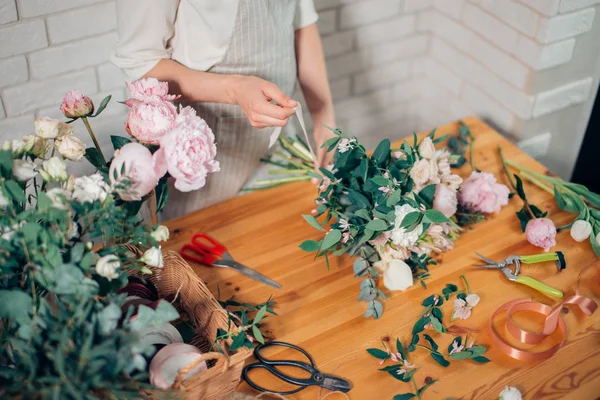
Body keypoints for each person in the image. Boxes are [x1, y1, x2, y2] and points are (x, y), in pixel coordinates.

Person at [111, 0, 336, 219]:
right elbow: (141, 64)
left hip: (280, 145)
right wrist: (236, 90)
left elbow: (303, 22)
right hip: (205, 163)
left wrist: (323, 117)